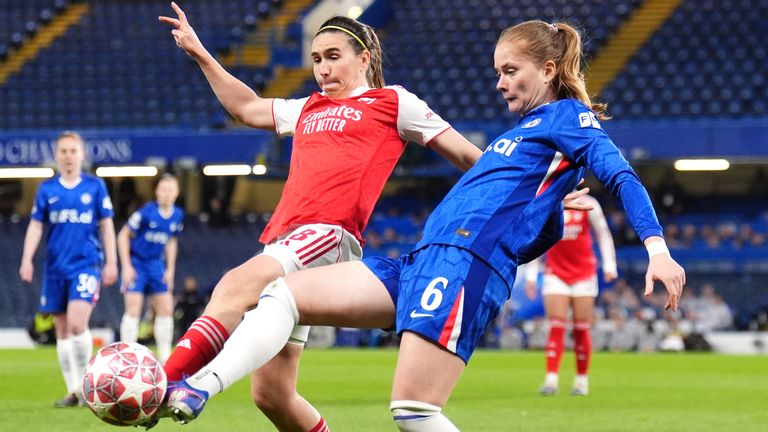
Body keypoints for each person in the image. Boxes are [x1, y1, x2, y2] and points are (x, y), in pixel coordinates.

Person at [159, 20, 685, 431]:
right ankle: (200, 386)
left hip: (462, 264)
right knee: (283, 295)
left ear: (548, 69)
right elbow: (533, 228)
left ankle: (185, 383)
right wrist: (545, 212)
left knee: (414, 411)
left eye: (510, 70)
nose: (499, 82)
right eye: (498, 70)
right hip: (419, 259)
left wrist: (656, 248)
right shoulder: (521, 134)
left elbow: (620, 174)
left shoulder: (568, 118)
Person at [155, 2, 483, 430]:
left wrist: (530, 190)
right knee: (272, 395)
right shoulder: (307, 107)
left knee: (235, 284)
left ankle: (164, 382)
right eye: (316, 59)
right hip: (287, 240)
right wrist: (201, 53)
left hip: (328, 234)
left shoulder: (393, 102)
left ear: (364, 58)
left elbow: (467, 156)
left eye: (333, 57)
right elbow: (248, 108)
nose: (323, 69)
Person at [19, 131, 118, 407]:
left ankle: (88, 385)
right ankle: (73, 390)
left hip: (86, 265)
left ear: (81, 154)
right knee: (61, 330)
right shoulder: (47, 190)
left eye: (73, 151)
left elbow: (107, 225)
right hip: (55, 269)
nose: (68, 156)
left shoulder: (95, 187)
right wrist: (27, 259)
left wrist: (112, 261)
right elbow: (36, 226)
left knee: (77, 323)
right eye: (63, 151)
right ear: (56, 155)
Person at [523, 194, 617, 396]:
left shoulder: (590, 203)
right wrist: (531, 275)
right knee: (556, 326)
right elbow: (537, 238)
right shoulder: (550, 201)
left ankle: (581, 381)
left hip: (583, 273)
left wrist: (609, 265)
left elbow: (603, 234)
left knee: (581, 328)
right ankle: (551, 380)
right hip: (555, 272)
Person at [118, 174, 183, 363]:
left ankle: (165, 358)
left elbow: (171, 241)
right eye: (163, 189)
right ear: (156, 192)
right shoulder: (146, 212)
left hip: (156, 265)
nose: (167, 194)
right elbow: (123, 236)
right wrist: (127, 266)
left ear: (177, 192)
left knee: (166, 310)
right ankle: (126, 357)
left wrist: (170, 270)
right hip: (137, 263)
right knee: (133, 310)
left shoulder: (177, 215)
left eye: (171, 190)